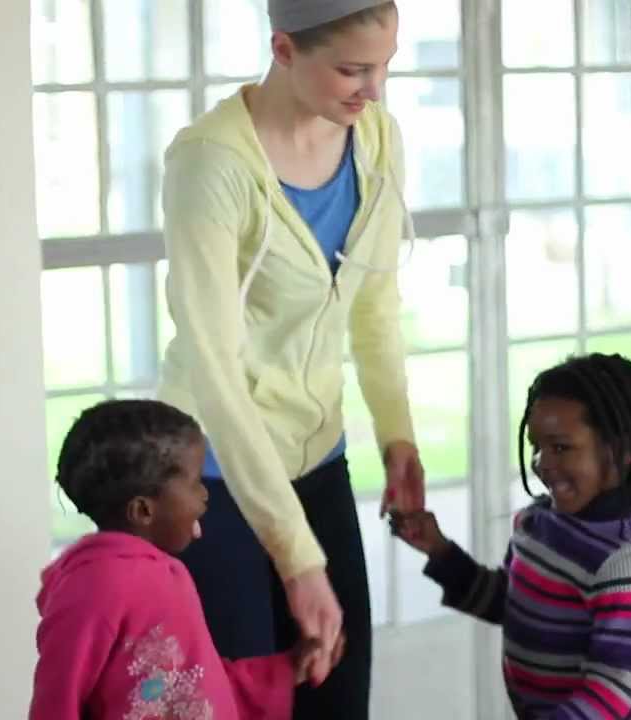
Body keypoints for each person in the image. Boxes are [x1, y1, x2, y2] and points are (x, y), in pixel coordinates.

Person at [157, 0, 421, 717]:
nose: (375, 90)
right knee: (240, 702)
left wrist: (397, 433)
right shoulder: (211, 162)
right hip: (213, 479)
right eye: (352, 70)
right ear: (283, 49)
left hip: (317, 459)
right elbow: (214, 368)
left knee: (338, 694)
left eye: (385, 66)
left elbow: (375, 305)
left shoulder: (377, 140)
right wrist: (296, 558)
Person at [392, 354, 631, 720]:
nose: (542, 461)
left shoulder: (624, 564)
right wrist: (441, 551)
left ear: (620, 452)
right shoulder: (537, 524)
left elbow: (613, 686)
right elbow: (511, 605)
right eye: (536, 446)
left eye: (560, 447)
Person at [28, 399, 335, 720]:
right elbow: (55, 701)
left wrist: (286, 670)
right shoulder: (96, 588)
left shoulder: (165, 574)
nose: (205, 494)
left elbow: (194, 684)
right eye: (194, 483)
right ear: (143, 510)